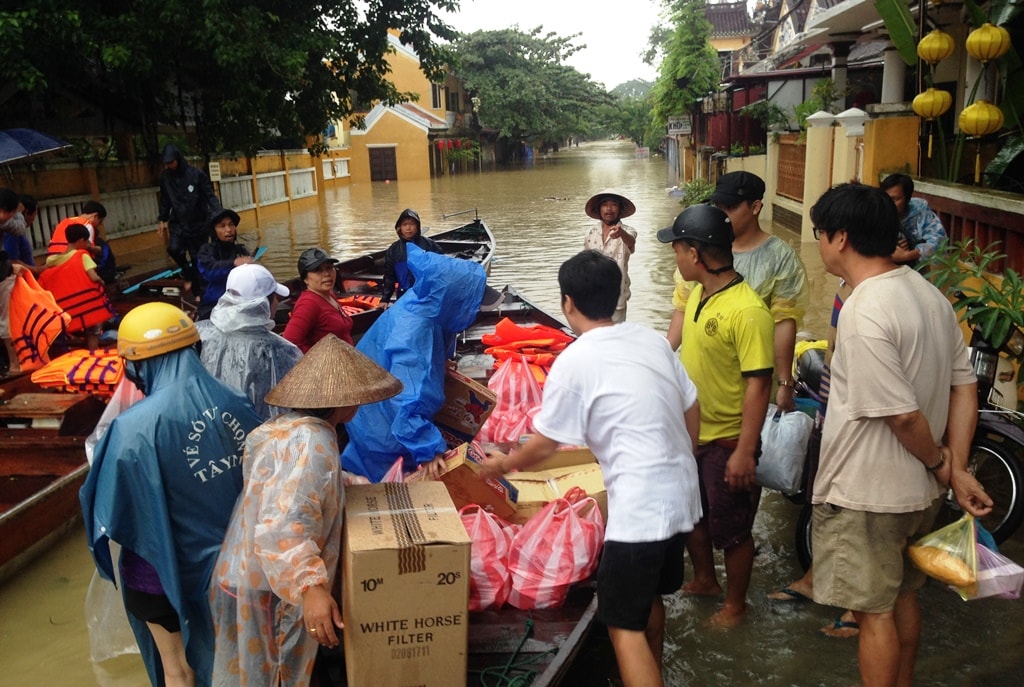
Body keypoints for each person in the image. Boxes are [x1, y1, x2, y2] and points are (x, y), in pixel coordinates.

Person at [480, 250, 702, 687]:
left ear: (567, 303)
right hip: (683, 498)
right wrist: (681, 458)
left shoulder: (575, 360)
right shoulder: (651, 340)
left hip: (640, 511)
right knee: (648, 595)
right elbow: (691, 405)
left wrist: (502, 464)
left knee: (622, 626)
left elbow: (543, 446)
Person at [808, 183, 992, 687]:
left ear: (840, 238)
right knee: (903, 595)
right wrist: (952, 469)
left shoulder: (866, 310)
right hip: (917, 494)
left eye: (820, 233)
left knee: (873, 613)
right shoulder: (928, 296)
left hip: (868, 493)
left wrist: (941, 463)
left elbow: (902, 417)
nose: (820, 243)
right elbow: (963, 386)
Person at [80, 302, 263, 687]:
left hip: (155, 577)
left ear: (137, 365)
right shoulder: (239, 404)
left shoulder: (131, 429)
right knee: (235, 661)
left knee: (176, 670)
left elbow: (109, 510)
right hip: (231, 572)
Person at [210, 334, 402, 687]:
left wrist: (358, 487)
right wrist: (311, 587)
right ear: (345, 401)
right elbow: (284, 523)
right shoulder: (312, 442)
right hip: (269, 584)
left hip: (247, 572)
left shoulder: (286, 428)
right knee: (277, 672)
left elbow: (302, 489)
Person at [657, 204, 774, 628]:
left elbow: (759, 385)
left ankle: (736, 604)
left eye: (677, 248)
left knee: (733, 529)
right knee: (694, 515)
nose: (675, 256)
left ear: (695, 253)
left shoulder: (747, 310)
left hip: (728, 441)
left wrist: (745, 450)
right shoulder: (696, 297)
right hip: (695, 436)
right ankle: (706, 579)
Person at [342, 244, 498, 482]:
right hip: (380, 428)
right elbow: (405, 400)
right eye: (472, 303)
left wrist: (442, 361)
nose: (474, 310)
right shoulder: (414, 335)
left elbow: (443, 336)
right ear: (454, 300)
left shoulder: (424, 302)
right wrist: (429, 449)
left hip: (371, 409)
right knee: (391, 486)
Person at [667, 171, 808, 412]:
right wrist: (663, 357)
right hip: (703, 373)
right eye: (718, 207)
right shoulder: (700, 248)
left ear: (755, 207)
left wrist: (785, 382)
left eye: (730, 207)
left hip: (751, 373)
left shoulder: (780, 257)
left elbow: (784, 322)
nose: (722, 215)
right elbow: (683, 309)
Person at [196, 263, 301, 420]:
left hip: (211, 429)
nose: (277, 303)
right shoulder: (282, 350)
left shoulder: (199, 333)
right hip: (266, 438)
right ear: (265, 303)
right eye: (275, 298)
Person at [39, 223, 116, 351]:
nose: (88, 245)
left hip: (67, 310)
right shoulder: (82, 256)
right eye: (87, 242)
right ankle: (92, 353)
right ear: (81, 241)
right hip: (87, 308)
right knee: (93, 331)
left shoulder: (52, 260)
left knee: (71, 334)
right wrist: (102, 283)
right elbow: (94, 277)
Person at [157, 144, 223, 292]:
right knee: (173, 249)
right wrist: (162, 219)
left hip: (197, 222)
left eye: (171, 162)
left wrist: (219, 215)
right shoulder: (165, 177)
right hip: (178, 222)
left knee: (196, 257)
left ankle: (199, 293)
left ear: (178, 159)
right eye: (166, 164)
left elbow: (209, 196)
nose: (169, 166)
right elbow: (165, 199)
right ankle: (188, 273)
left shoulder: (196, 175)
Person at [281, 247, 353, 352]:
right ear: (305, 279)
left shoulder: (330, 295)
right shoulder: (308, 304)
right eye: (317, 270)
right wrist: (322, 359)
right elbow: (289, 343)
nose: (327, 274)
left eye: (329, 268)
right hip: (327, 366)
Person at [582, 189, 637, 323]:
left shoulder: (628, 231)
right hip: (593, 295)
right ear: (599, 209)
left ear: (619, 209)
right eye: (605, 205)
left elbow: (631, 242)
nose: (609, 209)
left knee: (615, 338)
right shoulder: (590, 233)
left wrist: (621, 234)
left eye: (614, 205)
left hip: (616, 296)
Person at [194, 208, 253, 320]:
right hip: (212, 308)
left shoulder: (241, 251)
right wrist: (233, 263)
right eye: (222, 226)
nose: (229, 230)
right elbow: (210, 272)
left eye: (231, 225)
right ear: (214, 231)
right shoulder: (206, 251)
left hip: (238, 306)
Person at [879, 173, 947, 266]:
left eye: (895, 199)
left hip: (916, 270)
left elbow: (938, 242)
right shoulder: (876, 211)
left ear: (907, 199)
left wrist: (908, 255)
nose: (889, 203)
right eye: (886, 198)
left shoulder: (920, 211)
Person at [382, 208, 442, 301]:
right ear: (399, 227)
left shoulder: (429, 245)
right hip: (403, 294)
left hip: (426, 294)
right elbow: (389, 276)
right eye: (404, 224)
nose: (408, 228)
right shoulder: (394, 249)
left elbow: (441, 269)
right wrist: (385, 299)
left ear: (417, 226)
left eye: (412, 224)